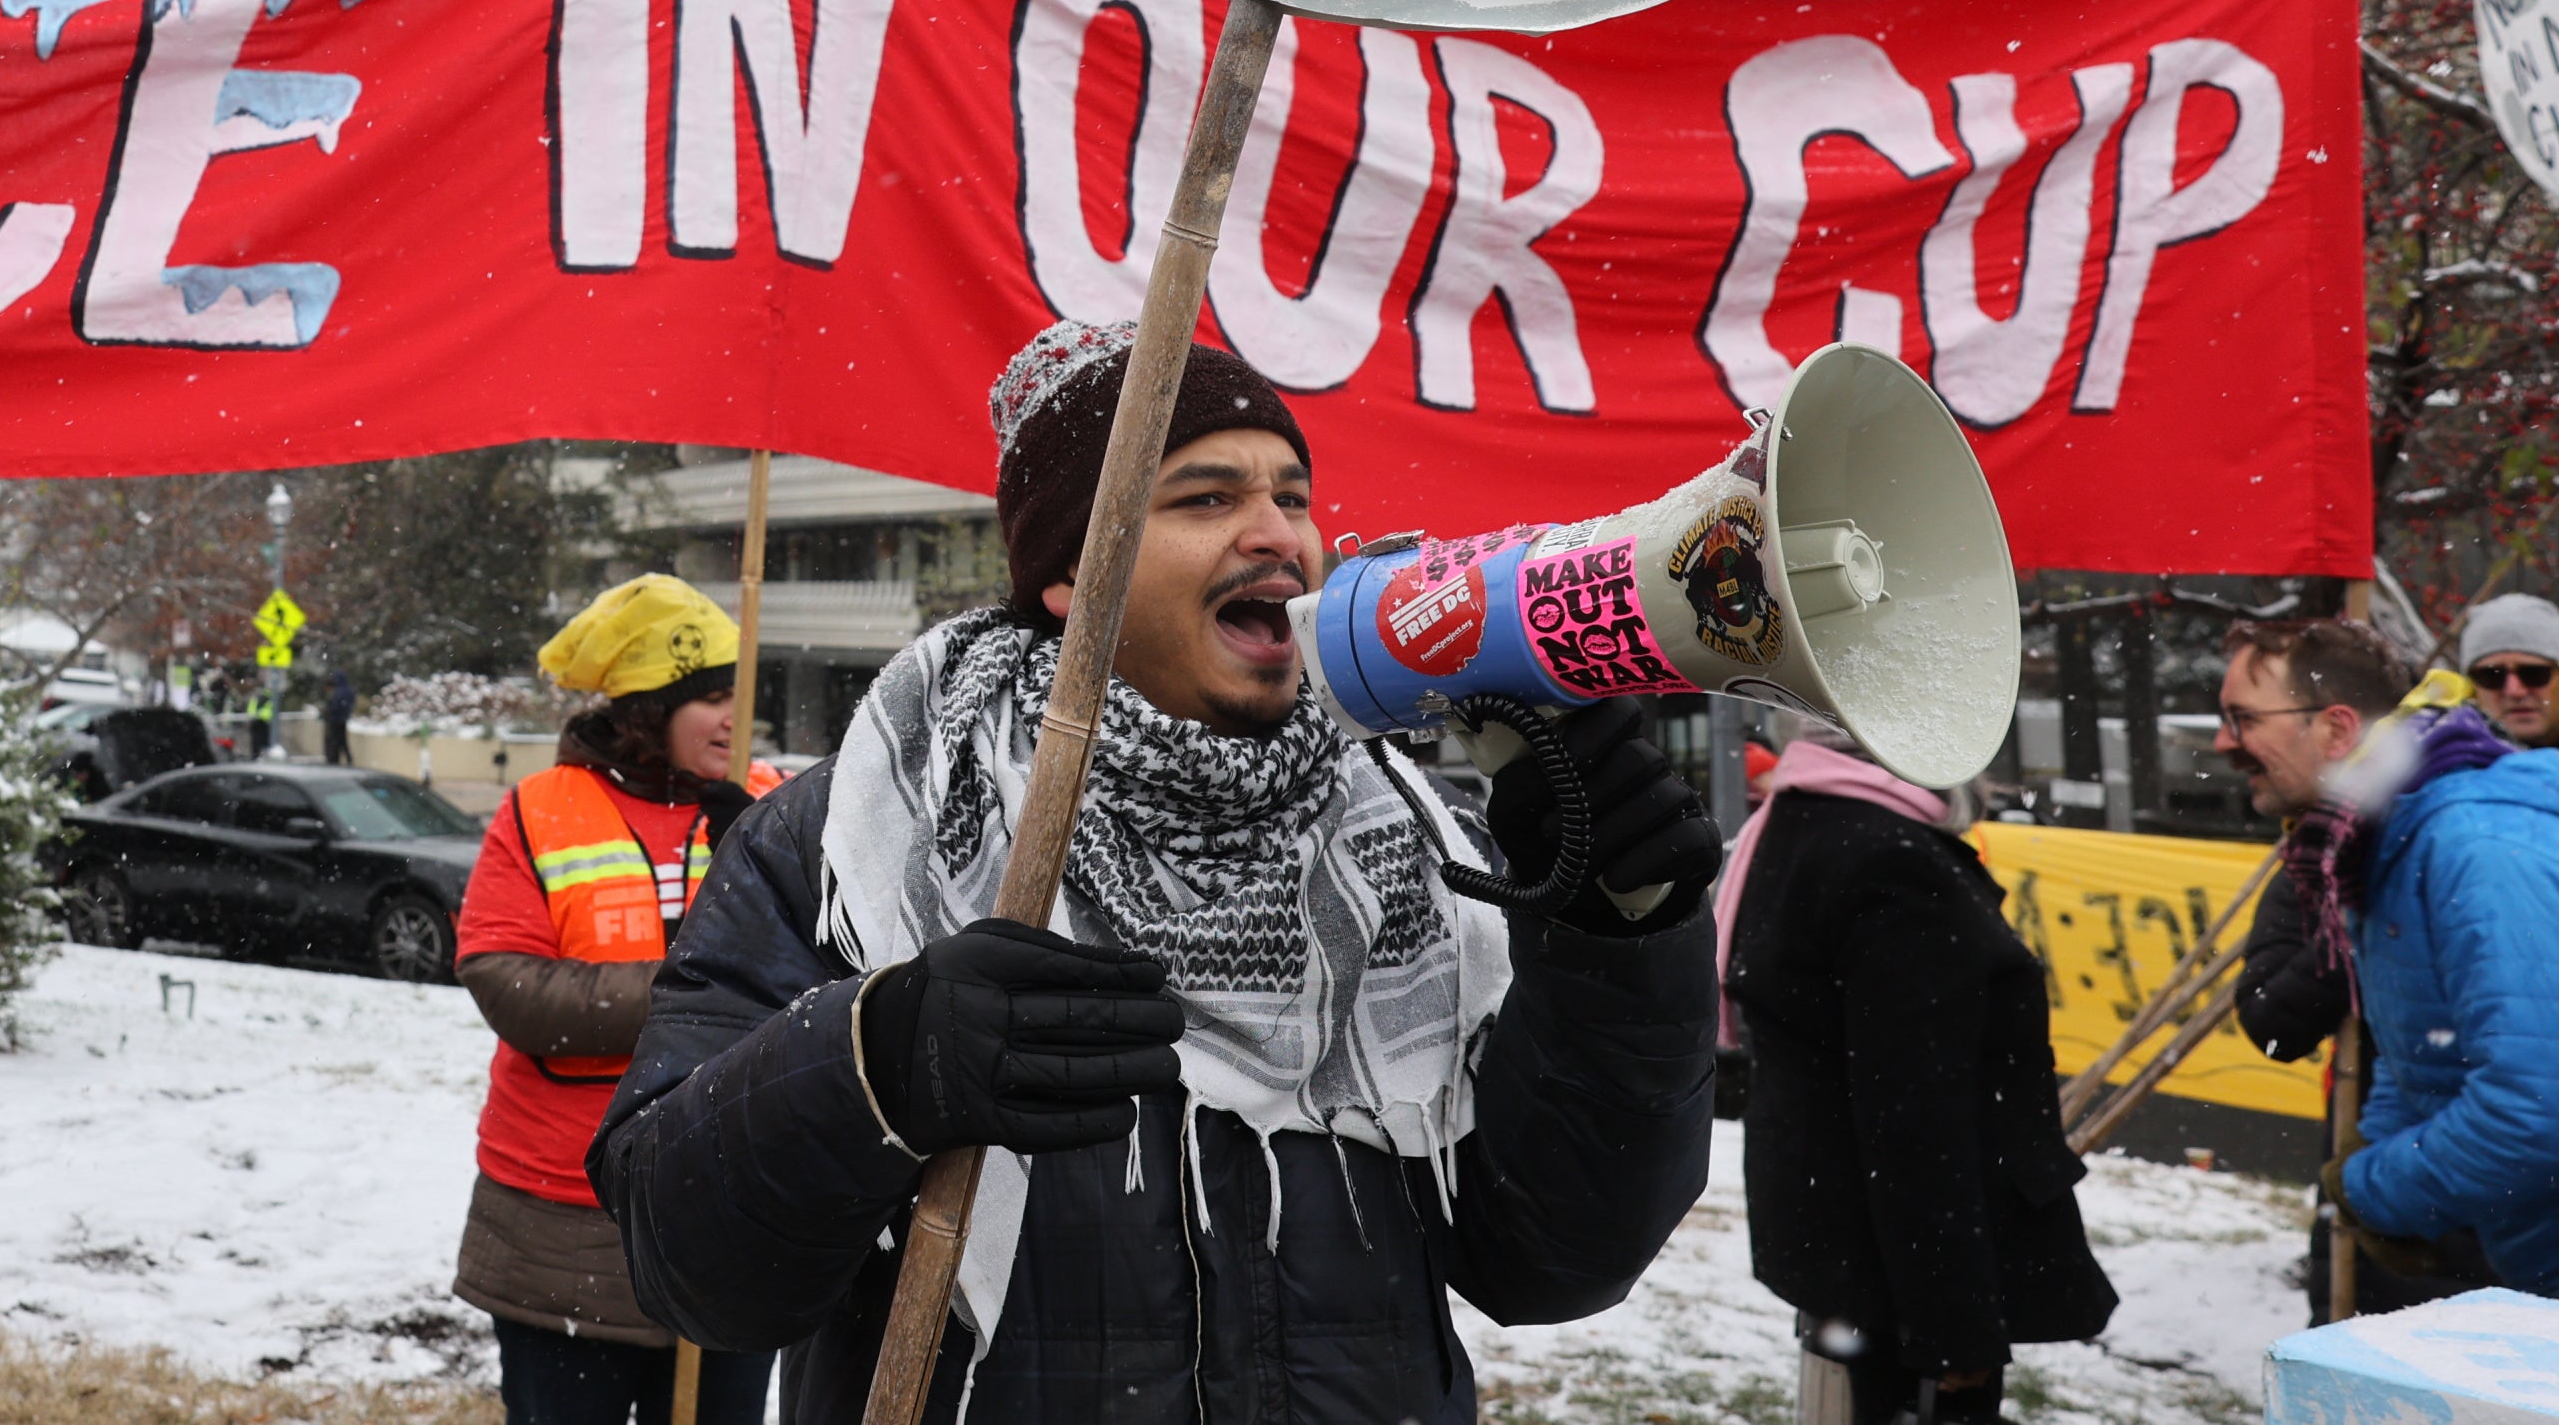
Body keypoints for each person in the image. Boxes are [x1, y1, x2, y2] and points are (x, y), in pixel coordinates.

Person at [591, 321, 1724, 1425]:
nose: (1278, 534)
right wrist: (875, 1061)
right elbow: (690, 1267)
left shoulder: (1421, 848)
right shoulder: (863, 834)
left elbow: (1553, 1259)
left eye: (1292, 495)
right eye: (1206, 497)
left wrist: (1618, 943)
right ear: (1070, 574)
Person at [453, 575, 779, 1425]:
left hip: (731, 1203)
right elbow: (510, 987)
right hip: (563, 1214)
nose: (730, 719)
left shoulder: (774, 800)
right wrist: (694, 992)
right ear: (646, 709)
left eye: (736, 696)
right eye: (709, 697)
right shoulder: (541, 808)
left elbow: (833, 963)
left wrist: (766, 850)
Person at [1721, 719, 2112, 1423]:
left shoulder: (1805, 820)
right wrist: (1953, 1332)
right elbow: (1915, 1125)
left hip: (1849, 1254)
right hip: (1896, 1276)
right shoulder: (1889, 861)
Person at [2218, 616, 2542, 1311]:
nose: (2223, 742)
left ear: (2337, 730)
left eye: (2243, 717)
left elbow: (2534, 1104)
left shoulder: (2473, 840)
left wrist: (2371, 1189)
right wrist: (2375, 1155)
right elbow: (2418, 1043)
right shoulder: (2379, 840)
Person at [2458, 592, 2558, 750]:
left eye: (2533, 674)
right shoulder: (2434, 765)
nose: (2514, 691)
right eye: (2492, 676)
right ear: (2472, 688)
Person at [320, 660, 359, 769]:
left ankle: (334, 762)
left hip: (335, 720)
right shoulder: (348, 690)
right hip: (342, 720)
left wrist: (328, 712)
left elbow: (335, 705)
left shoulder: (339, 692)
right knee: (342, 742)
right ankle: (347, 760)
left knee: (334, 743)